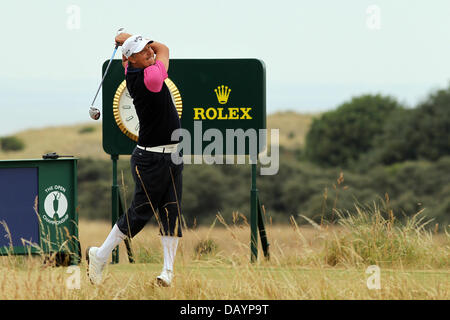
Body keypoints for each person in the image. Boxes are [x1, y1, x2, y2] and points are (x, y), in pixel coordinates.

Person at [87, 32, 183, 287]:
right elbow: (164, 48)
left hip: (172, 155)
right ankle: (100, 255)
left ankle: (167, 272)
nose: (150, 53)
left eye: (147, 49)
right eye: (143, 52)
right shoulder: (150, 78)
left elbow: (142, 54)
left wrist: (133, 43)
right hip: (151, 160)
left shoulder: (132, 67)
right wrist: (133, 38)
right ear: (132, 59)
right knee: (139, 214)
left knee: (171, 211)